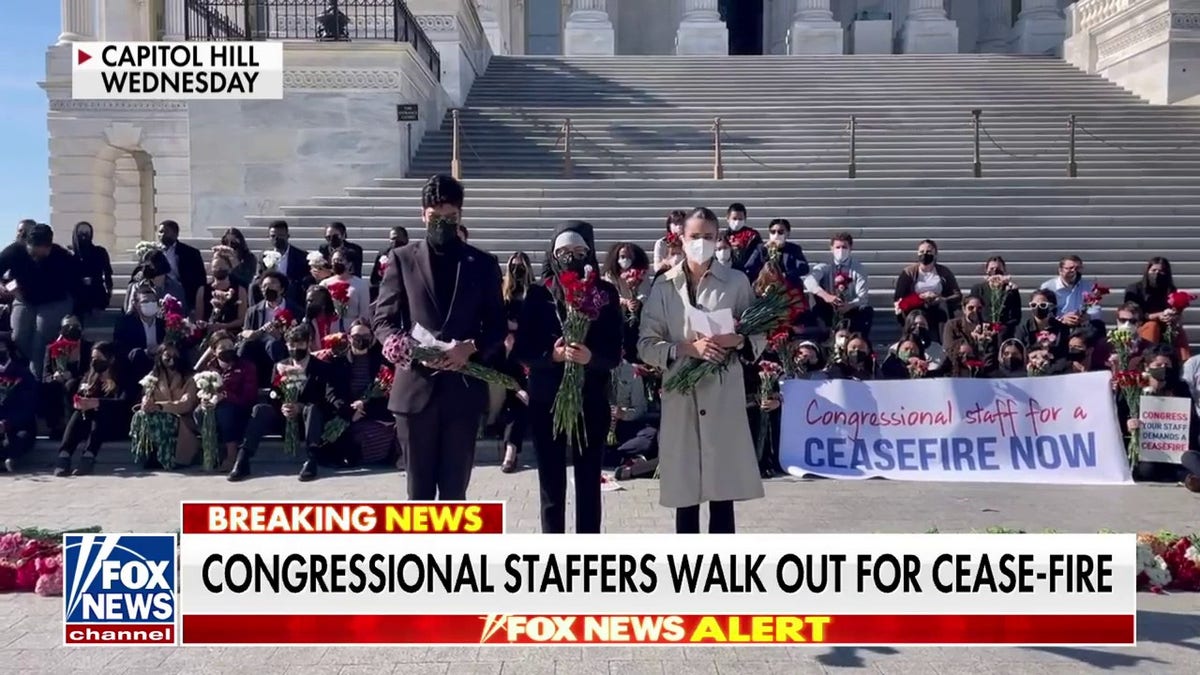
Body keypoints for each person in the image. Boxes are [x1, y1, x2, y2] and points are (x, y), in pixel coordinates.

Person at [372, 174, 507, 500]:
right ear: (423, 215)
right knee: (417, 493)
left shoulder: (483, 263)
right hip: (415, 391)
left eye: (450, 218)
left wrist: (470, 348)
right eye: (435, 217)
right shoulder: (402, 259)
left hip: (462, 392)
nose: (442, 224)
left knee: (453, 492)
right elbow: (382, 318)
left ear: (460, 216)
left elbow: (498, 326)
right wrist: (397, 343)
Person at [638, 206, 765, 534]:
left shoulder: (736, 282)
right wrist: (683, 349)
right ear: (681, 238)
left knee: (722, 492)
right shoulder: (664, 285)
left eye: (709, 237)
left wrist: (736, 338)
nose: (702, 243)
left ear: (719, 239)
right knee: (686, 490)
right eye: (695, 236)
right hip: (681, 395)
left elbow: (758, 333)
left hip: (722, 393)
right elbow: (645, 344)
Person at [514, 222, 623, 534]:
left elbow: (615, 351)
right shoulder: (538, 294)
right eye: (563, 252)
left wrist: (592, 358)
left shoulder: (605, 293)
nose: (571, 257)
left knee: (589, 481)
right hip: (547, 399)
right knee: (550, 482)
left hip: (591, 398)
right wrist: (553, 356)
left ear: (589, 253)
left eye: (578, 252)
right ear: (553, 254)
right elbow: (523, 350)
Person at [230, 325, 349, 482]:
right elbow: (273, 394)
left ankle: (311, 459)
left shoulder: (322, 368)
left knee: (312, 409)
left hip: (307, 422)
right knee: (260, 409)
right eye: (291, 345)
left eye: (299, 344)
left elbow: (326, 398)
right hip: (284, 420)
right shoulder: (280, 366)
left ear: (308, 343)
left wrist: (301, 407)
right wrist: (282, 405)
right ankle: (243, 459)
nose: (295, 348)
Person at [0, 223, 79, 378]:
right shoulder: (14, 251)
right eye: (33, 254)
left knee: (40, 339)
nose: (36, 258)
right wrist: (4, 286)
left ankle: (36, 381)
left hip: (55, 301)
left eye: (41, 255)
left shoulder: (62, 256)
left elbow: (75, 285)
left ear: (49, 248)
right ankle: (37, 365)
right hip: (25, 299)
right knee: (19, 336)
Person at [1119, 347, 1198, 483]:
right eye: (1158, 365)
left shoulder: (1180, 388)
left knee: (1187, 460)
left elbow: (1193, 421)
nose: (1163, 368)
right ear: (1147, 366)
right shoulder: (1132, 387)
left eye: (1167, 365)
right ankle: (1188, 479)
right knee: (1147, 470)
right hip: (1145, 452)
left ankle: (1191, 480)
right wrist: (1129, 423)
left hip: (1175, 449)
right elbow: (1119, 417)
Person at [53, 342, 131, 476]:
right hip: (87, 423)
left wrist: (97, 403)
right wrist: (81, 402)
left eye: (99, 358)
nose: (95, 362)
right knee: (78, 413)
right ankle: (64, 455)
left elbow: (123, 403)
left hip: (113, 425)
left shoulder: (122, 377)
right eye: (93, 359)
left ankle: (88, 455)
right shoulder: (90, 376)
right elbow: (80, 393)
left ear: (110, 359)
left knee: (99, 413)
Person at [193, 330, 257, 472]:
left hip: (239, 410)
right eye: (222, 348)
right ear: (214, 351)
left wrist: (225, 395)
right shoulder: (209, 368)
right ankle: (212, 451)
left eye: (230, 346)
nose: (227, 350)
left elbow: (248, 397)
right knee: (199, 412)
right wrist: (205, 399)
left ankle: (231, 455)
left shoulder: (246, 367)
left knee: (225, 409)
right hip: (214, 408)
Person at [130, 343, 199, 469]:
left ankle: (165, 457)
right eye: (167, 355)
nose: (171, 359)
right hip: (157, 415)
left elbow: (186, 404)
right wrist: (146, 402)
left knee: (160, 419)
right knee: (140, 415)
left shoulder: (191, 377)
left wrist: (160, 407)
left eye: (175, 355)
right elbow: (147, 395)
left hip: (181, 419)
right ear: (160, 357)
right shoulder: (154, 376)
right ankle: (148, 452)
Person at [340, 320, 396, 465]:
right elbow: (334, 392)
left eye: (365, 335)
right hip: (349, 411)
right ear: (349, 337)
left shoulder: (380, 361)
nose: (361, 339)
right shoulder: (340, 361)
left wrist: (364, 405)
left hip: (372, 410)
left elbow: (385, 391)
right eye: (357, 335)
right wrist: (352, 410)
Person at [498, 252, 532, 473]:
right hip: (505, 357)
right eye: (514, 266)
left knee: (518, 402)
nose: (517, 270)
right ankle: (510, 451)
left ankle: (511, 451)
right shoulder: (502, 293)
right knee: (516, 399)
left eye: (521, 267)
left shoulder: (534, 294)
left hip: (527, 355)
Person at [805, 232, 873, 339]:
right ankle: (822, 333)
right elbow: (808, 281)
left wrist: (849, 305)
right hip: (829, 306)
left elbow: (863, 296)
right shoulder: (825, 265)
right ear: (831, 248)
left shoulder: (858, 268)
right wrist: (826, 296)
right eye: (837, 247)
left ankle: (858, 339)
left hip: (849, 308)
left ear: (850, 248)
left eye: (844, 247)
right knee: (813, 295)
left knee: (867, 310)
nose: (841, 250)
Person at [892, 239, 961, 341]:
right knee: (917, 315)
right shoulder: (909, 272)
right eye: (921, 252)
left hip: (938, 305)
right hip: (917, 305)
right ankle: (915, 340)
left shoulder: (944, 271)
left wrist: (942, 299)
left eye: (928, 252)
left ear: (935, 254)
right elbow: (899, 297)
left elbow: (957, 294)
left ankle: (944, 343)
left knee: (943, 310)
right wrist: (920, 297)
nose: (925, 254)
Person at [240, 271, 302, 385]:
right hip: (258, 344)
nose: (267, 288)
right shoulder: (253, 311)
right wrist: (256, 333)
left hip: (281, 346)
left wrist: (280, 337)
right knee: (245, 346)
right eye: (264, 286)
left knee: (273, 344)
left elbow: (299, 335)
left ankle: (281, 382)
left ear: (282, 289)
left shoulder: (295, 310)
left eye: (272, 284)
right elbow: (245, 331)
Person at [39, 315, 92, 440]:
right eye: (67, 326)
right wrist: (54, 376)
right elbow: (45, 375)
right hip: (58, 383)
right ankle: (56, 426)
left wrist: (72, 375)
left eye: (75, 326)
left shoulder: (88, 348)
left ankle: (74, 427)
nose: (71, 329)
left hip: (80, 382)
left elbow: (91, 372)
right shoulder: (52, 348)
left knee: (71, 385)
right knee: (50, 386)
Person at [114, 285, 167, 380]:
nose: (150, 304)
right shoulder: (125, 324)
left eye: (153, 301)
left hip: (161, 373)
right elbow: (122, 351)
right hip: (134, 374)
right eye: (145, 302)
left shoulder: (163, 324)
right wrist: (148, 352)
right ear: (136, 304)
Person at [0, 336, 37, 473]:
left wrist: (6, 423)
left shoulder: (23, 374)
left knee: (19, 439)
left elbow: (28, 406)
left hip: (17, 424)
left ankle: (8, 458)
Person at [194, 249, 248, 335]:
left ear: (229, 269)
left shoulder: (240, 290)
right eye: (216, 267)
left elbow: (242, 319)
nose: (219, 270)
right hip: (209, 332)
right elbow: (199, 317)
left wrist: (223, 326)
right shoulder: (203, 290)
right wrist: (205, 325)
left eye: (222, 267)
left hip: (232, 332)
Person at [1040, 255, 1103, 329]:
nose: (1074, 271)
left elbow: (1096, 309)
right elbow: (1043, 311)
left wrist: (1087, 316)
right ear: (1060, 270)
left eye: (1077, 268)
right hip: (1057, 326)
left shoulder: (1088, 286)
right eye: (1070, 268)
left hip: (1081, 325)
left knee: (1098, 325)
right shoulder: (1048, 287)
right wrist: (1062, 318)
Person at [69, 221, 113, 325]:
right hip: (76, 293)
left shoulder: (100, 252)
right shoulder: (69, 254)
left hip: (96, 291)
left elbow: (107, 274)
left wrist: (109, 293)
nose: (84, 235)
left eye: (87, 232)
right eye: (81, 232)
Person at [156, 220, 207, 308]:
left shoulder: (190, 253)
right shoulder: (153, 253)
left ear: (176, 234)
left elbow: (200, 278)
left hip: (183, 293)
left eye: (166, 231)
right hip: (160, 293)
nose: (162, 235)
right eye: (160, 232)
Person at [744, 218, 809, 286]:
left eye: (780, 232)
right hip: (765, 286)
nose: (776, 235)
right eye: (773, 232)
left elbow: (804, 268)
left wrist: (786, 275)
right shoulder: (761, 248)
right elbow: (749, 267)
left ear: (787, 233)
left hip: (788, 285)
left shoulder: (794, 249)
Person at [969, 256, 1021, 341]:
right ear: (986, 270)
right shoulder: (978, 289)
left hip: (1003, 331)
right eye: (992, 268)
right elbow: (972, 311)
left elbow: (1016, 316)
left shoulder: (1011, 291)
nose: (995, 271)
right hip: (983, 328)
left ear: (1004, 270)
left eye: (998, 268)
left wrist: (1000, 327)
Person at [259, 220, 310, 306]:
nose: (276, 239)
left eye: (280, 236)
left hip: (292, 291)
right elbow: (260, 276)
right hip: (270, 290)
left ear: (287, 236)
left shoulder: (301, 256)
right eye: (273, 236)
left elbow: (306, 278)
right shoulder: (264, 256)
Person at [125, 249, 187, 315]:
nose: (146, 270)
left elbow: (183, 313)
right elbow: (129, 313)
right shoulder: (138, 287)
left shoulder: (176, 288)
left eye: (150, 267)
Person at [1015, 289, 1070, 359]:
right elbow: (1019, 352)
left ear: (1051, 306)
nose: (1037, 308)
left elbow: (1064, 354)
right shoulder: (1023, 329)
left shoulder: (1062, 329)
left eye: (1043, 305)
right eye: (1033, 305)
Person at [321, 249, 371, 324]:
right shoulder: (325, 284)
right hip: (330, 324)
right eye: (333, 260)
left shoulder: (361, 284)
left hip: (352, 325)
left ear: (349, 264)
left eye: (339, 260)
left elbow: (364, 312)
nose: (336, 263)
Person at [369, 226, 409, 302]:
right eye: (392, 239)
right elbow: (375, 277)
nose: (395, 241)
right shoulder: (383, 254)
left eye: (397, 238)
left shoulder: (411, 254)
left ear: (406, 239)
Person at [301, 285, 347, 349]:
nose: (309, 304)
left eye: (311, 301)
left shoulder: (339, 321)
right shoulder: (306, 323)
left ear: (323, 303)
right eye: (307, 301)